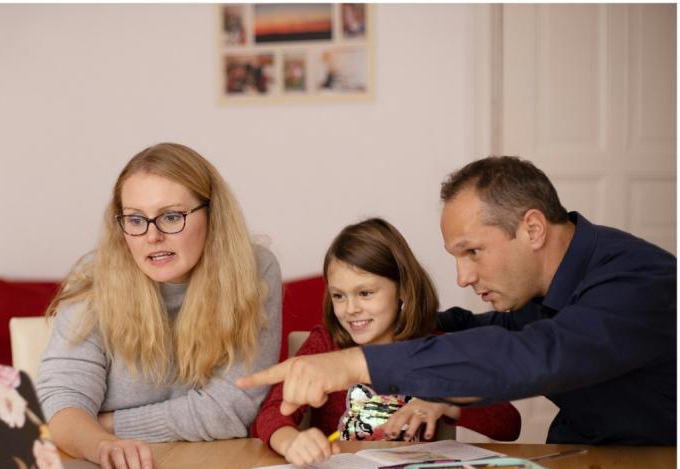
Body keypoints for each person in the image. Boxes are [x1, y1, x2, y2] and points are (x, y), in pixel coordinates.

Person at [239, 156, 676, 446]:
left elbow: (535, 354)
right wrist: (394, 328)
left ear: (533, 229)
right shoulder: (534, 292)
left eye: (473, 252)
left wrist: (357, 363)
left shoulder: (640, 282)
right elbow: (480, 330)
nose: (463, 277)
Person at [36, 142, 282, 469]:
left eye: (171, 216)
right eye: (136, 219)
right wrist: (104, 444)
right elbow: (61, 404)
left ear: (212, 215)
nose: (152, 236)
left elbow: (232, 410)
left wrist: (104, 424)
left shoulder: (254, 270)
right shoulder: (94, 279)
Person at [252, 218, 521, 466]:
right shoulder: (325, 344)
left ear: (402, 290)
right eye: (339, 296)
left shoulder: (434, 350)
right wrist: (291, 441)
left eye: (365, 293)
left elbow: (509, 424)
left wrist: (448, 401)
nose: (351, 308)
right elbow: (271, 413)